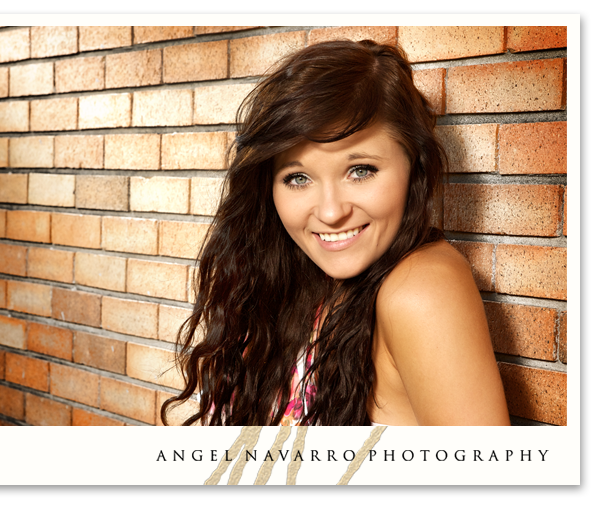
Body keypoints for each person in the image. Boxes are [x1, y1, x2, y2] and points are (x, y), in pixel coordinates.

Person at [161, 40, 511, 426]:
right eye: (297, 178)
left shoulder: (422, 289)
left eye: (360, 170)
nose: (330, 212)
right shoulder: (299, 283)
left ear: (414, 164)